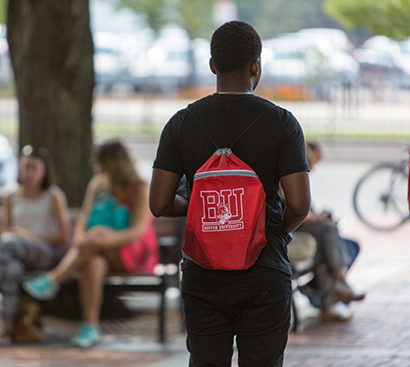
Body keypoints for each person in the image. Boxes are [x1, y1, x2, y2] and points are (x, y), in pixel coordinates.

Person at [149, 21, 311, 367]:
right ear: (257, 65)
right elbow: (299, 204)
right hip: (265, 270)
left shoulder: (181, 123)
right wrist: (271, 228)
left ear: (212, 65)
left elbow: (159, 203)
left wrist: (205, 207)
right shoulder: (282, 123)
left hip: (203, 273)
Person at [23, 140, 158, 348]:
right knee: (93, 262)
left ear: (111, 162)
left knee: (97, 235)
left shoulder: (139, 187)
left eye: (98, 159)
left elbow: (137, 232)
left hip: (133, 252)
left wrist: (102, 238)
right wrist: (80, 238)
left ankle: (53, 279)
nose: (94, 163)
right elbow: (83, 219)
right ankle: (90, 327)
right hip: (96, 251)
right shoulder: (98, 184)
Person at [0, 146, 71, 347]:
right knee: (11, 269)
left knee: (10, 242)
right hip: (15, 254)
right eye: (25, 167)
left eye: (34, 168)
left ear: (44, 171)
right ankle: (8, 331)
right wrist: (18, 238)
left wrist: (30, 237)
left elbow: (63, 236)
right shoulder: (10, 195)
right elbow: (5, 231)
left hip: (45, 253)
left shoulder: (53, 196)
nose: (29, 173)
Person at [297, 141, 365, 322]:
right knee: (329, 233)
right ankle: (339, 285)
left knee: (335, 245)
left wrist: (318, 216)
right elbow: (295, 212)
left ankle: (329, 300)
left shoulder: (299, 180)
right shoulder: (290, 179)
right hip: (297, 231)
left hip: (310, 232)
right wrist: (317, 219)